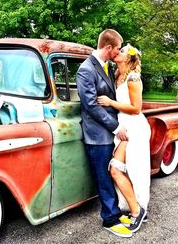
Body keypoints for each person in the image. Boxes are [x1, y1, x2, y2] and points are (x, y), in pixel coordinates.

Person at [76, 29, 133, 238]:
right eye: (117, 48)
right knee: (104, 178)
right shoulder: (86, 70)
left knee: (113, 173)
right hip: (97, 135)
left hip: (109, 132)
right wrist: (117, 127)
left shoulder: (106, 67)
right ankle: (110, 219)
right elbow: (90, 105)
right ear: (108, 47)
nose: (118, 51)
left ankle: (116, 212)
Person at [97, 44, 151, 233]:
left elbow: (136, 108)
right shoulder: (117, 75)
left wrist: (110, 102)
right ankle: (137, 208)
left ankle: (138, 211)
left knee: (125, 170)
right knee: (121, 170)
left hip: (134, 127)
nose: (116, 52)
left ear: (128, 58)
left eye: (121, 51)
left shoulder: (133, 77)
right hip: (123, 127)